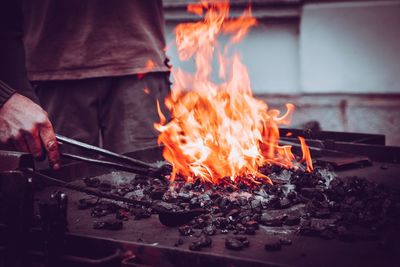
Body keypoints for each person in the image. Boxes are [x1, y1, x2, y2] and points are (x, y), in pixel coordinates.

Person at [0, 0, 170, 168]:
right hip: (51, 71)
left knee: (153, 177)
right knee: (59, 187)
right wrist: (8, 95)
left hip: (141, 66)